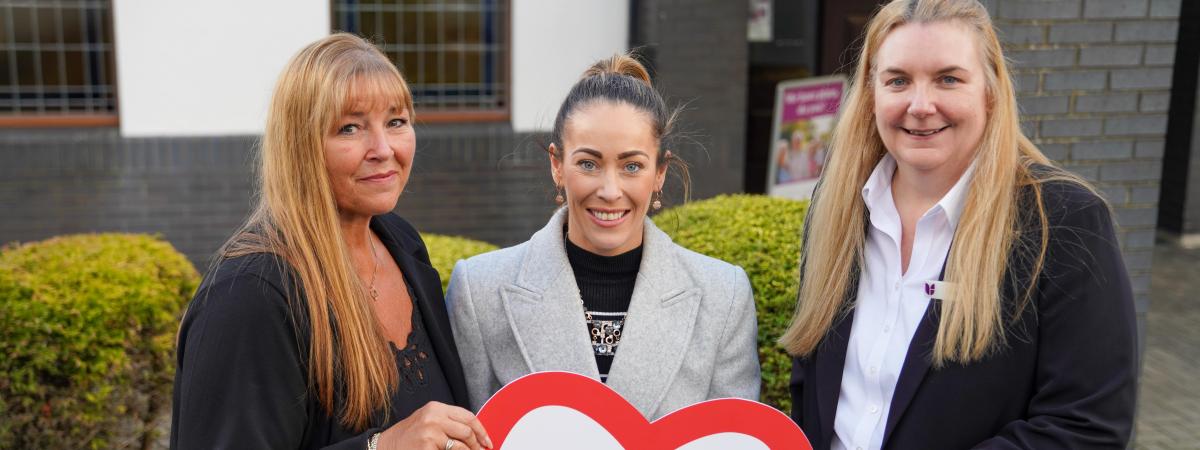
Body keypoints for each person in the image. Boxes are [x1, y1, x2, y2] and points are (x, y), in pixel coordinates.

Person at [780, 1, 1137, 449]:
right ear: (871, 94)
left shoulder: (1064, 222)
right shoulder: (837, 207)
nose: (921, 105)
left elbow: (1087, 427)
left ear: (989, 91)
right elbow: (812, 382)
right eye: (898, 80)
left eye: (948, 79)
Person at [171, 34, 491, 450]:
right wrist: (381, 447)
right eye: (350, 128)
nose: (383, 149)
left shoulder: (402, 243)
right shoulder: (250, 295)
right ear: (301, 147)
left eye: (396, 122)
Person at [446, 54, 761, 420]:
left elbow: (733, 437)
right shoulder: (479, 291)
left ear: (659, 173)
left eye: (632, 166)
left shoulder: (723, 296)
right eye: (588, 164)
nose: (610, 191)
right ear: (556, 165)